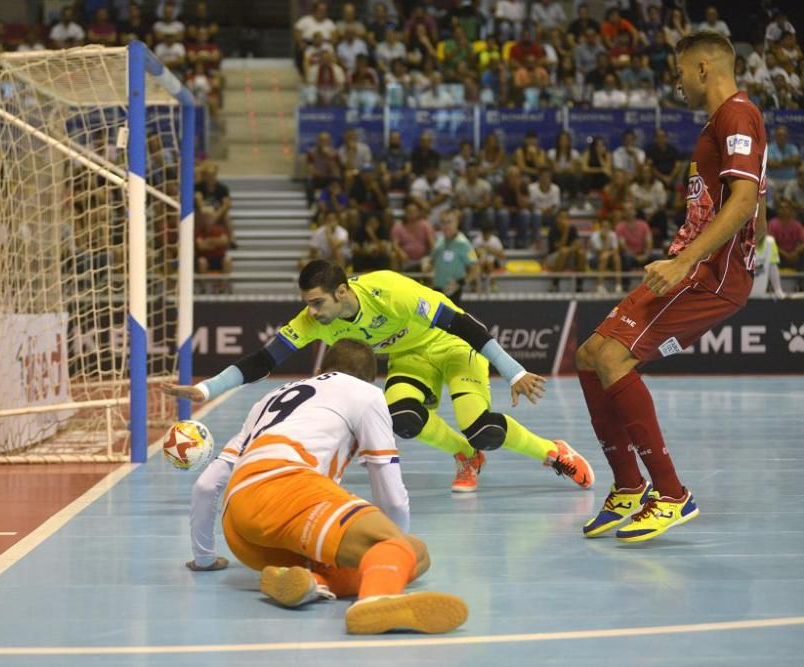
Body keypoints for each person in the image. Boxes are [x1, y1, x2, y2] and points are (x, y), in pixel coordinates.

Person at [165, 260, 593, 496]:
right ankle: (466, 456)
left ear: (342, 293)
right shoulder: (315, 320)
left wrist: (513, 369)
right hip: (410, 357)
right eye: (307, 304)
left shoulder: (389, 289)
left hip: (452, 346)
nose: (311, 312)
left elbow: (463, 323)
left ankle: (553, 452)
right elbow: (264, 359)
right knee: (402, 419)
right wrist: (205, 388)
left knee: (481, 426)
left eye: (317, 303)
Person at [575, 32, 768, 543]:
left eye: (681, 71)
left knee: (614, 358)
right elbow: (756, 199)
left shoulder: (736, 114)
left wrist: (686, 262)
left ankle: (672, 495)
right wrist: (751, 242)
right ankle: (628, 488)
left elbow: (745, 199)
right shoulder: (724, 121)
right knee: (589, 355)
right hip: (702, 264)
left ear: (704, 68)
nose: (677, 82)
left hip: (710, 274)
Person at [186, 339, 468, 634]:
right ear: (371, 378)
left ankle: (313, 583)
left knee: (375, 555)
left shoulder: (268, 399)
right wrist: (396, 547)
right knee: (414, 552)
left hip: (241, 529)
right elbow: (390, 491)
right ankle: (374, 601)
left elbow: (207, 485)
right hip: (288, 489)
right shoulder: (366, 394)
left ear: (321, 369)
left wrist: (204, 559)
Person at [424, 210, 480, 304]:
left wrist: (459, 283)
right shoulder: (439, 241)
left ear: (457, 223)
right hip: (437, 291)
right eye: (443, 222)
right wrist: (427, 263)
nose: (446, 226)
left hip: (453, 293)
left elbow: (476, 269)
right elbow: (431, 262)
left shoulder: (464, 244)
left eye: (449, 222)